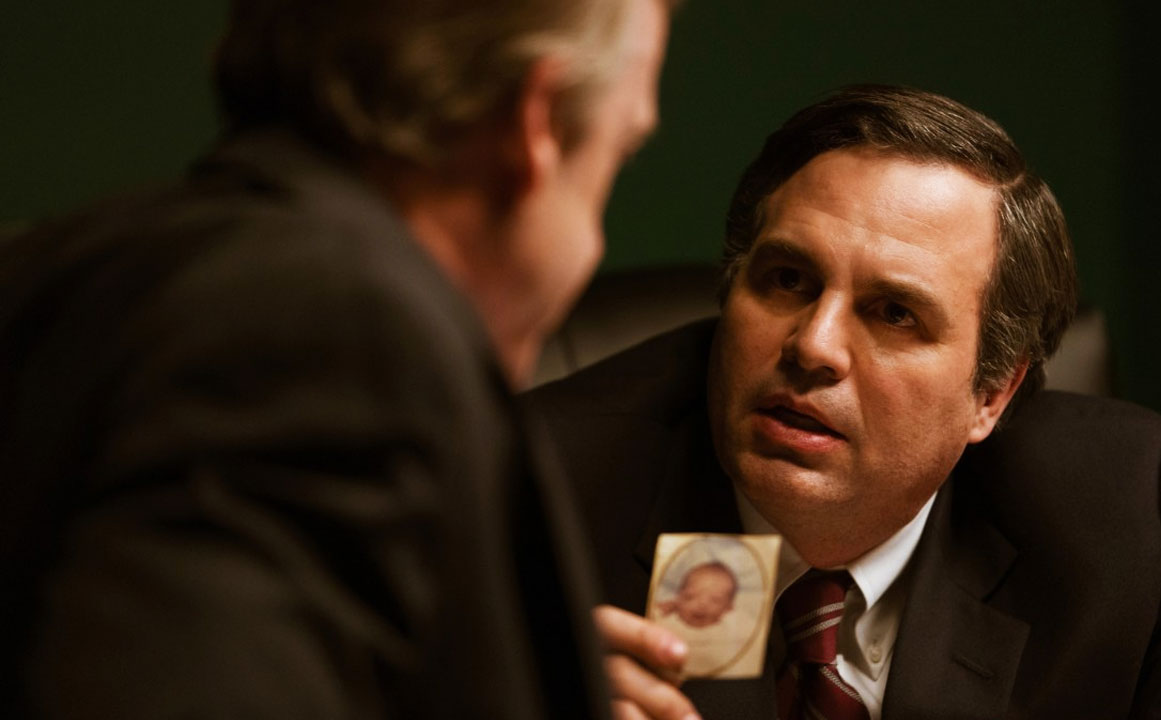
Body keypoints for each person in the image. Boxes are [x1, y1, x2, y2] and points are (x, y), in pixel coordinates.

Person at [0, 0, 685, 717]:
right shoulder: (337, 336)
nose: (593, 241)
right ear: (534, 124)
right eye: (619, 153)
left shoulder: (65, 264)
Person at [529, 84, 1161, 719]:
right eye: (787, 279)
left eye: (894, 314)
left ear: (992, 393)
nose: (814, 346)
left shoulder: (1116, 510)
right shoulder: (540, 492)